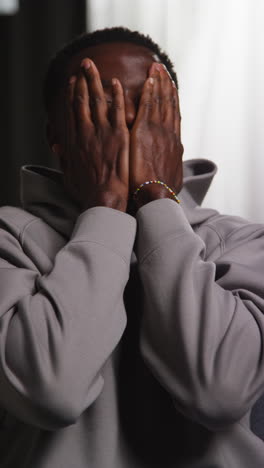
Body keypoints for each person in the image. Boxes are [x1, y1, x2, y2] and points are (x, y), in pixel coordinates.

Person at [1, 26, 264, 468]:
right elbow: (53, 389)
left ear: (172, 128)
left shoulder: (243, 242)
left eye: (146, 107)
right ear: (57, 137)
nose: (126, 126)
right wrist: (107, 206)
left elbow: (218, 391)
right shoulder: (9, 242)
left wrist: (156, 199)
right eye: (102, 107)